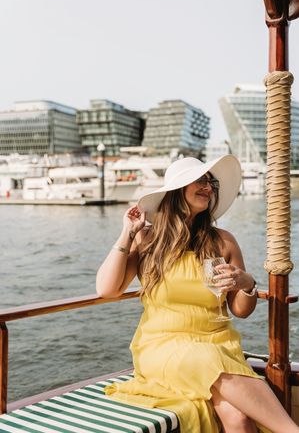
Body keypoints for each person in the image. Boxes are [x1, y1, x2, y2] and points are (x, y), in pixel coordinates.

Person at [96, 155, 299, 433]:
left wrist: (247, 283)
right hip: (161, 345)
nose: (208, 187)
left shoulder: (223, 241)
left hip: (218, 343)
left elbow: (240, 310)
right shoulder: (148, 240)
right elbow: (107, 289)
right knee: (210, 362)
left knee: (238, 418)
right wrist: (126, 234)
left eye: (210, 182)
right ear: (177, 190)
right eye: (199, 181)